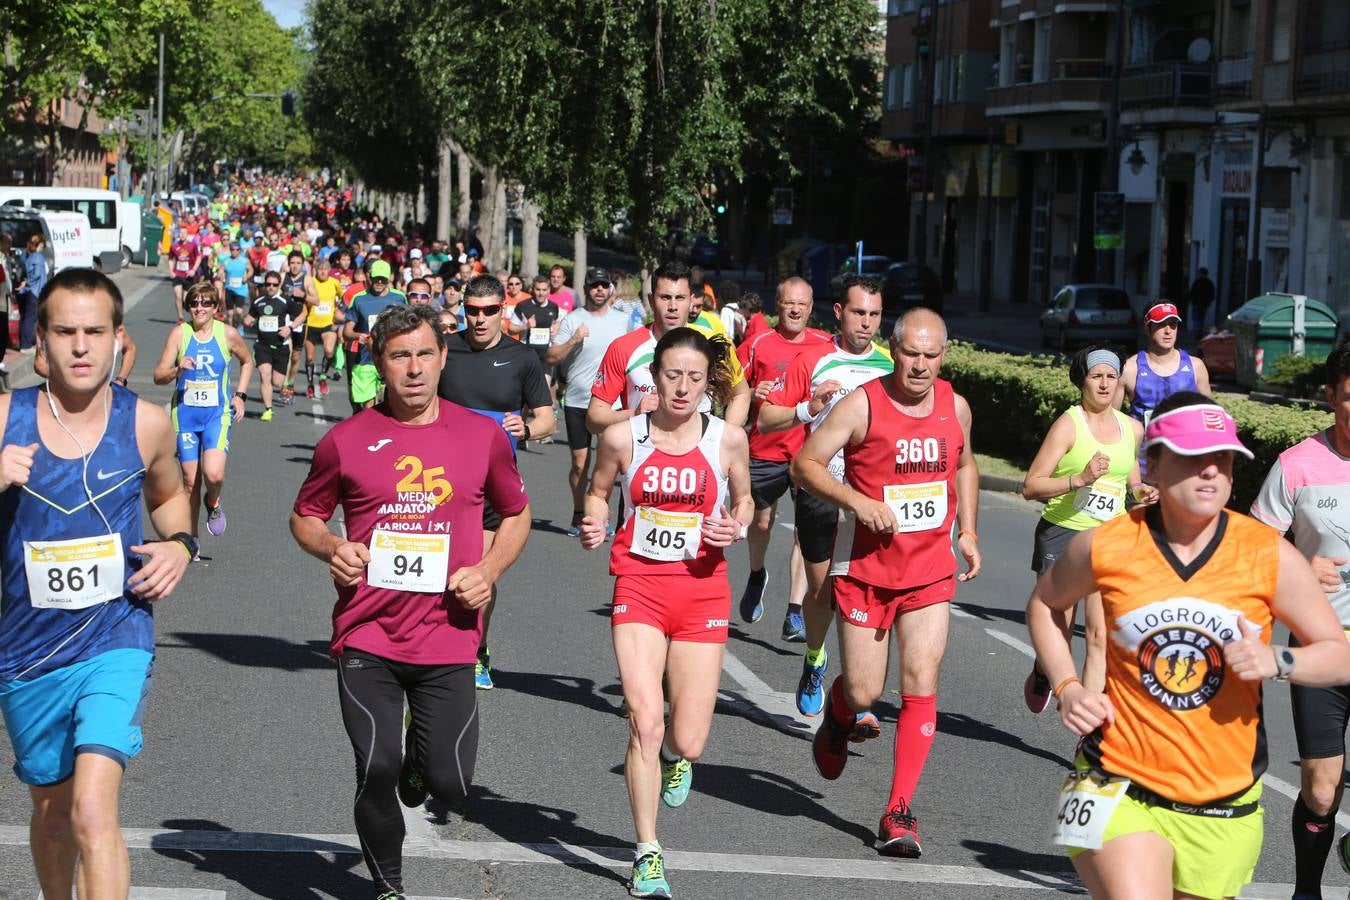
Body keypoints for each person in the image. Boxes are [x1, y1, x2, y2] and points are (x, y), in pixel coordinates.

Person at [1027, 391, 1350, 900]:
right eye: (1193, 457)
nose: (1210, 471)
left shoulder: (1269, 555)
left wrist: (1277, 658)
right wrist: (1068, 687)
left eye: (1223, 459)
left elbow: (1339, 653)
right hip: (1115, 783)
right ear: (1151, 466)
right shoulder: (1107, 544)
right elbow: (1046, 604)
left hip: (1224, 803)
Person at [291, 303, 531, 900]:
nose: (415, 369)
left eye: (425, 354)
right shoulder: (345, 440)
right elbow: (306, 516)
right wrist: (333, 547)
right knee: (377, 767)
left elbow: (517, 513)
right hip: (367, 632)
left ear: (444, 357)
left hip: (450, 633)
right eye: (400, 356)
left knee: (451, 785)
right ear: (380, 363)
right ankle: (388, 887)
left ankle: (421, 763)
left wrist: (488, 570)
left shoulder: (483, 436)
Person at [0, 267, 194, 899]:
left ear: (118, 338)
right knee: (54, 816)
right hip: (25, 652)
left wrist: (180, 545)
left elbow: (169, 498)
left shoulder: (146, 424)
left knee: (91, 808)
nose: (80, 347)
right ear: (40, 340)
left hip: (115, 636)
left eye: (94, 332)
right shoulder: (4, 419)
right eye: (64, 332)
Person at [792, 306, 979, 858]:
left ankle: (898, 810)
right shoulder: (861, 404)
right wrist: (856, 502)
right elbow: (806, 464)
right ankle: (838, 716)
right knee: (863, 691)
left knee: (921, 679)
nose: (920, 365)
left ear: (944, 355)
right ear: (893, 351)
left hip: (929, 570)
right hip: (867, 569)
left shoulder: (955, 406)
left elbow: (965, 464)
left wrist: (968, 530)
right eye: (911, 353)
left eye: (931, 355)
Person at [578, 326, 752, 900]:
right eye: (672, 375)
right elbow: (598, 489)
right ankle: (647, 850)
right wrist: (596, 519)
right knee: (645, 721)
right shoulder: (622, 436)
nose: (682, 387)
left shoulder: (727, 439)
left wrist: (736, 526)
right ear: (654, 377)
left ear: (708, 385)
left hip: (703, 591)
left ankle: (679, 757)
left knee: (689, 740)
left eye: (694, 378)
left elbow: (744, 499)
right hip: (640, 586)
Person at [759, 275, 892, 719]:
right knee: (821, 592)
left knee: (865, 595)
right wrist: (808, 408)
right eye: (858, 312)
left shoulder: (891, 366)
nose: (866, 322)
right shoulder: (813, 359)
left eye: (874, 314)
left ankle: (857, 692)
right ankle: (815, 657)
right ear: (839, 312)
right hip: (821, 491)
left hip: (871, 497)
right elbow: (766, 419)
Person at [1249, 342, 1350, 900]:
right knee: (1320, 789)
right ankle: (1306, 891)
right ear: (1331, 395)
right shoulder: (1296, 464)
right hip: (1319, 651)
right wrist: (1298, 569)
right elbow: (1254, 551)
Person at [1019, 346, 1156, 713]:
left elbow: (1130, 478)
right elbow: (1031, 486)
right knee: (1059, 633)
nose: (1105, 384)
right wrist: (1078, 479)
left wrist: (1141, 492)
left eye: (1111, 377)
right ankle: (1044, 670)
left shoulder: (1132, 428)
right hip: (1064, 531)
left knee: (1100, 635)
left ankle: (1088, 725)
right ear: (1082, 381)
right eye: (1097, 376)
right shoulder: (1069, 424)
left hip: (1109, 539)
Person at [437, 275, 554, 691]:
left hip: (491, 482)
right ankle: (431, 645)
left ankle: (476, 651)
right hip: (438, 479)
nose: (480, 319)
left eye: (489, 311)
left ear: (502, 310)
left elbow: (547, 418)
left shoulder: (521, 357)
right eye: (473, 311)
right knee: (439, 568)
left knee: (479, 570)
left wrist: (526, 428)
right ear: (463, 310)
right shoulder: (445, 350)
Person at [736, 276, 830, 640]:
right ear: (778, 305)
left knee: (807, 533)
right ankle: (756, 573)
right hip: (766, 448)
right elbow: (730, 388)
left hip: (811, 454)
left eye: (802, 304)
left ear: (811, 308)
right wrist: (750, 392)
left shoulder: (825, 345)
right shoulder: (758, 343)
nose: (795, 310)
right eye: (789, 303)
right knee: (761, 523)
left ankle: (794, 611)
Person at [588, 261, 749, 439]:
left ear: (691, 300)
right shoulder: (624, 347)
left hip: (698, 454)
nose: (672, 306)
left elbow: (741, 394)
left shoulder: (711, 343)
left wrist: (723, 437)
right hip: (642, 452)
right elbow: (593, 419)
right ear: (651, 300)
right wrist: (634, 414)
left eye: (680, 298)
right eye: (665, 297)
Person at [151, 282, 253, 543]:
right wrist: (177, 370)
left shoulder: (227, 333)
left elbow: (247, 361)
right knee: (190, 481)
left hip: (216, 415)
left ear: (215, 307)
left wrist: (240, 395)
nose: (199, 308)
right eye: (194, 303)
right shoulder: (180, 334)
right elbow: (158, 376)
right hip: (185, 416)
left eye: (205, 303)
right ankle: (190, 538)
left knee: (213, 473)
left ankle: (213, 500)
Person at [549, 267, 639, 536]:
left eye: (604, 285)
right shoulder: (573, 319)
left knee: (607, 464)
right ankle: (579, 512)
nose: (599, 289)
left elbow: (638, 354)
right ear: (586, 288)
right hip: (578, 400)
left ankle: (599, 515)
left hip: (611, 404)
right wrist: (574, 340)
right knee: (580, 463)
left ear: (610, 289)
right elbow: (552, 357)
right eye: (594, 285)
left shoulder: (624, 321)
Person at [1116, 301, 1211, 431]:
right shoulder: (1130, 369)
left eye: (1173, 325)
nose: (1168, 331)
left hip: (1185, 443)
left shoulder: (1196, 366)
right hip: (1145, 444)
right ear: (1147, 329)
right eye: (1161, 324)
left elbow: (1209, 415)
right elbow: (1111, 420)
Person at [342, 260, 407, 413]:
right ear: (370, 277)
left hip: (392, 358)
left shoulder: (399, 298)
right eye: (376, 278)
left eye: (383, 279)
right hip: (366, 360)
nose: (379, 282)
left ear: (389, 278)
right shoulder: (359, 299)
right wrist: (358, 336)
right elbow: (346, 332)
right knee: (368, 409)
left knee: (390, 405)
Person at [244, 273, 294, 422]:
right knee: (264, 375)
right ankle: (268, 409)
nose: (271, 287)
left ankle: (279, 386)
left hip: (280, 346)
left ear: (279, 285)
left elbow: (301, 315)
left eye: (274, 284)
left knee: (277, 382)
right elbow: (250, 317)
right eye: (268, 284)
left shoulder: (285, 301)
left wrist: (290, 328)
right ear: (265, 285)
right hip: (262, 346)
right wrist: (247, 321)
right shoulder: (258, 301)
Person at [509, 274, 563, 393]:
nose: (541, 293)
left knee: (544, 392)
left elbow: (556, 323)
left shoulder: (553, 307)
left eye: (544, 290)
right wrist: (526, 326)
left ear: (549, 290)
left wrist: (556, 329)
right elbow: (511, 329)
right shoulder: (523, 306)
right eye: (538, 289)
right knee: (526, 393)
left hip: (545, 355)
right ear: (533, 289)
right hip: (527, 354)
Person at [302, 253, 343, 398]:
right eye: (320, 269)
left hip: (328, 324)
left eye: (325, 269)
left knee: (329, 350)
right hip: (311, 324)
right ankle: (310, 384)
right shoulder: (310, 282)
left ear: (329, 270)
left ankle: (323, 377)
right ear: (315, 270)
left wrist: (337, 315)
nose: (323, 272)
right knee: (309, 358)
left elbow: (344, 299)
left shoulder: (334, 282)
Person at [20, 233, 49, 350]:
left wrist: (26, 283)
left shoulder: (28, 255)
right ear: (40, 244)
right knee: (31, 318)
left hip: (28, 291)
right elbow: (37, 274)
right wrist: (28, 282)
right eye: (43, 245)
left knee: (26, 317)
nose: (43, 248)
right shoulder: (38, 257)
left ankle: (26, 342)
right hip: (35, 291)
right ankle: (26, 344)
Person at [215, 241, 253, 328]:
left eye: (237, 249)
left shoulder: (244, 260)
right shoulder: (226, 261)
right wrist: (220, 274)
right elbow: (221, 271)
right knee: (229, 313)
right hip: (229, 288)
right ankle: (231, 329)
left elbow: (251, 270)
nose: (235, 251)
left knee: (239, 311)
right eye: (233, 249)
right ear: (230, 250)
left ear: (240, 250)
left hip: (241, 289)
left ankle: (240, 326)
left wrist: (247, 276)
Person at [1187, 267, 1215, 334]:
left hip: (1196, 302)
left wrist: (1189, 299)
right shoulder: (1209, 283)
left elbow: (1192, 292)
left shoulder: (1197, 282)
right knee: (1201, 318)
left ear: (1200, 273)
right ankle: (1200, 329)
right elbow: (1212, 294)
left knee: (1195, 317)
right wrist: (1209, 301)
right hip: (1205, 303)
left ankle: (1198, 330)